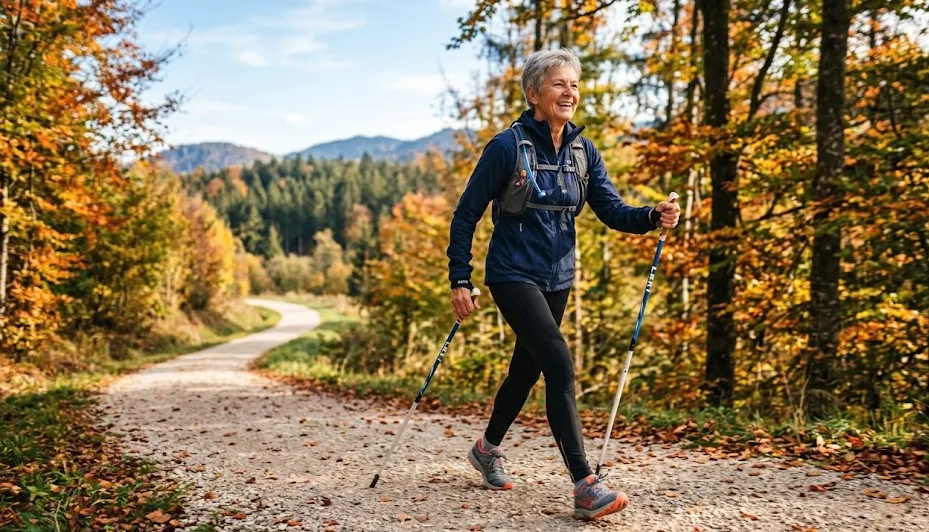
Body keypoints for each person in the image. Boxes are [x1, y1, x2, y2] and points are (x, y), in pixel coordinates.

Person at [446, 48, 680, 521]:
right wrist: (460, 278)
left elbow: (611, 209)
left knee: (526, 369)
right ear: (533, 93)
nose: (569, 92)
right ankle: (585, 485)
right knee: (559, 363)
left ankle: (486, 449)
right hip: (512, 273)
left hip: (559, 277)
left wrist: (652, 216)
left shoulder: (582, 151)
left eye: (573, 84)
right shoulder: (507, 147)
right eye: (558, 83)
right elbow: (466, 213)